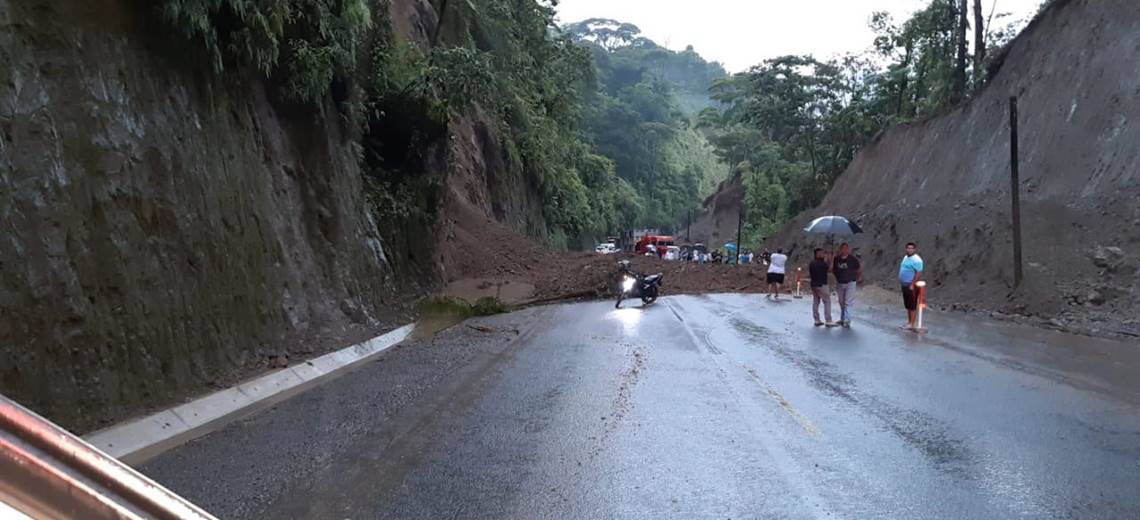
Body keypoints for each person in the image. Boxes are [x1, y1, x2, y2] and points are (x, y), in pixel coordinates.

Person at [832, 242, 862, 327]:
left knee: (848, 302)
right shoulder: (837, 259)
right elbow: (833, 269)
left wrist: (857, 278)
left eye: (846, 248)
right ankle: (842, 318)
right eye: (843, 248)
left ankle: (847, 319)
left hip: (850, 282)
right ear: (840, 249)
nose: (845, 250)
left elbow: (859, 269)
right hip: (840, 282)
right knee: (841, 301)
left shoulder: (852, 259)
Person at [899, 241, 925, 330]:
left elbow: (918, 273)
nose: (910, 250)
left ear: (914, 249)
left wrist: (912, 284)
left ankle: (912, 324)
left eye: (911, 248)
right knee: (908, 305)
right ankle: (909, 322)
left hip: (911, 285)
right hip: (905, 284)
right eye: (908, 248)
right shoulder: (906, 257)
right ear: (906, 249)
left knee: (912, 305)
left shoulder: (917, 260)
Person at [808, 248, 834, 326]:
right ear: (817, 254)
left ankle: (816, 319)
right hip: (822, 284)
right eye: (821, 253)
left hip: (813, 285)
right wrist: (832, 260)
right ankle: (828, 320)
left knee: (816, 301)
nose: (823, 254)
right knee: (827, 301)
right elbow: (830, 269)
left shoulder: (812, 263)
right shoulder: (822, 263)